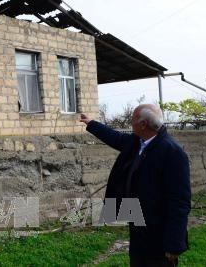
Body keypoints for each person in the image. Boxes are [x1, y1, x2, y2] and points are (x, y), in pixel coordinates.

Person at [80, 104, 191, 267]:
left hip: (158, 234)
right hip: (139, 227)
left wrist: (174, 244)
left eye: (132, 119)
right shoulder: (138, 142)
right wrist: (91, 124)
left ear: (143, 124)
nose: (130, 123)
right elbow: (115, 138)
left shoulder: (171, 152)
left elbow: (180, 202)